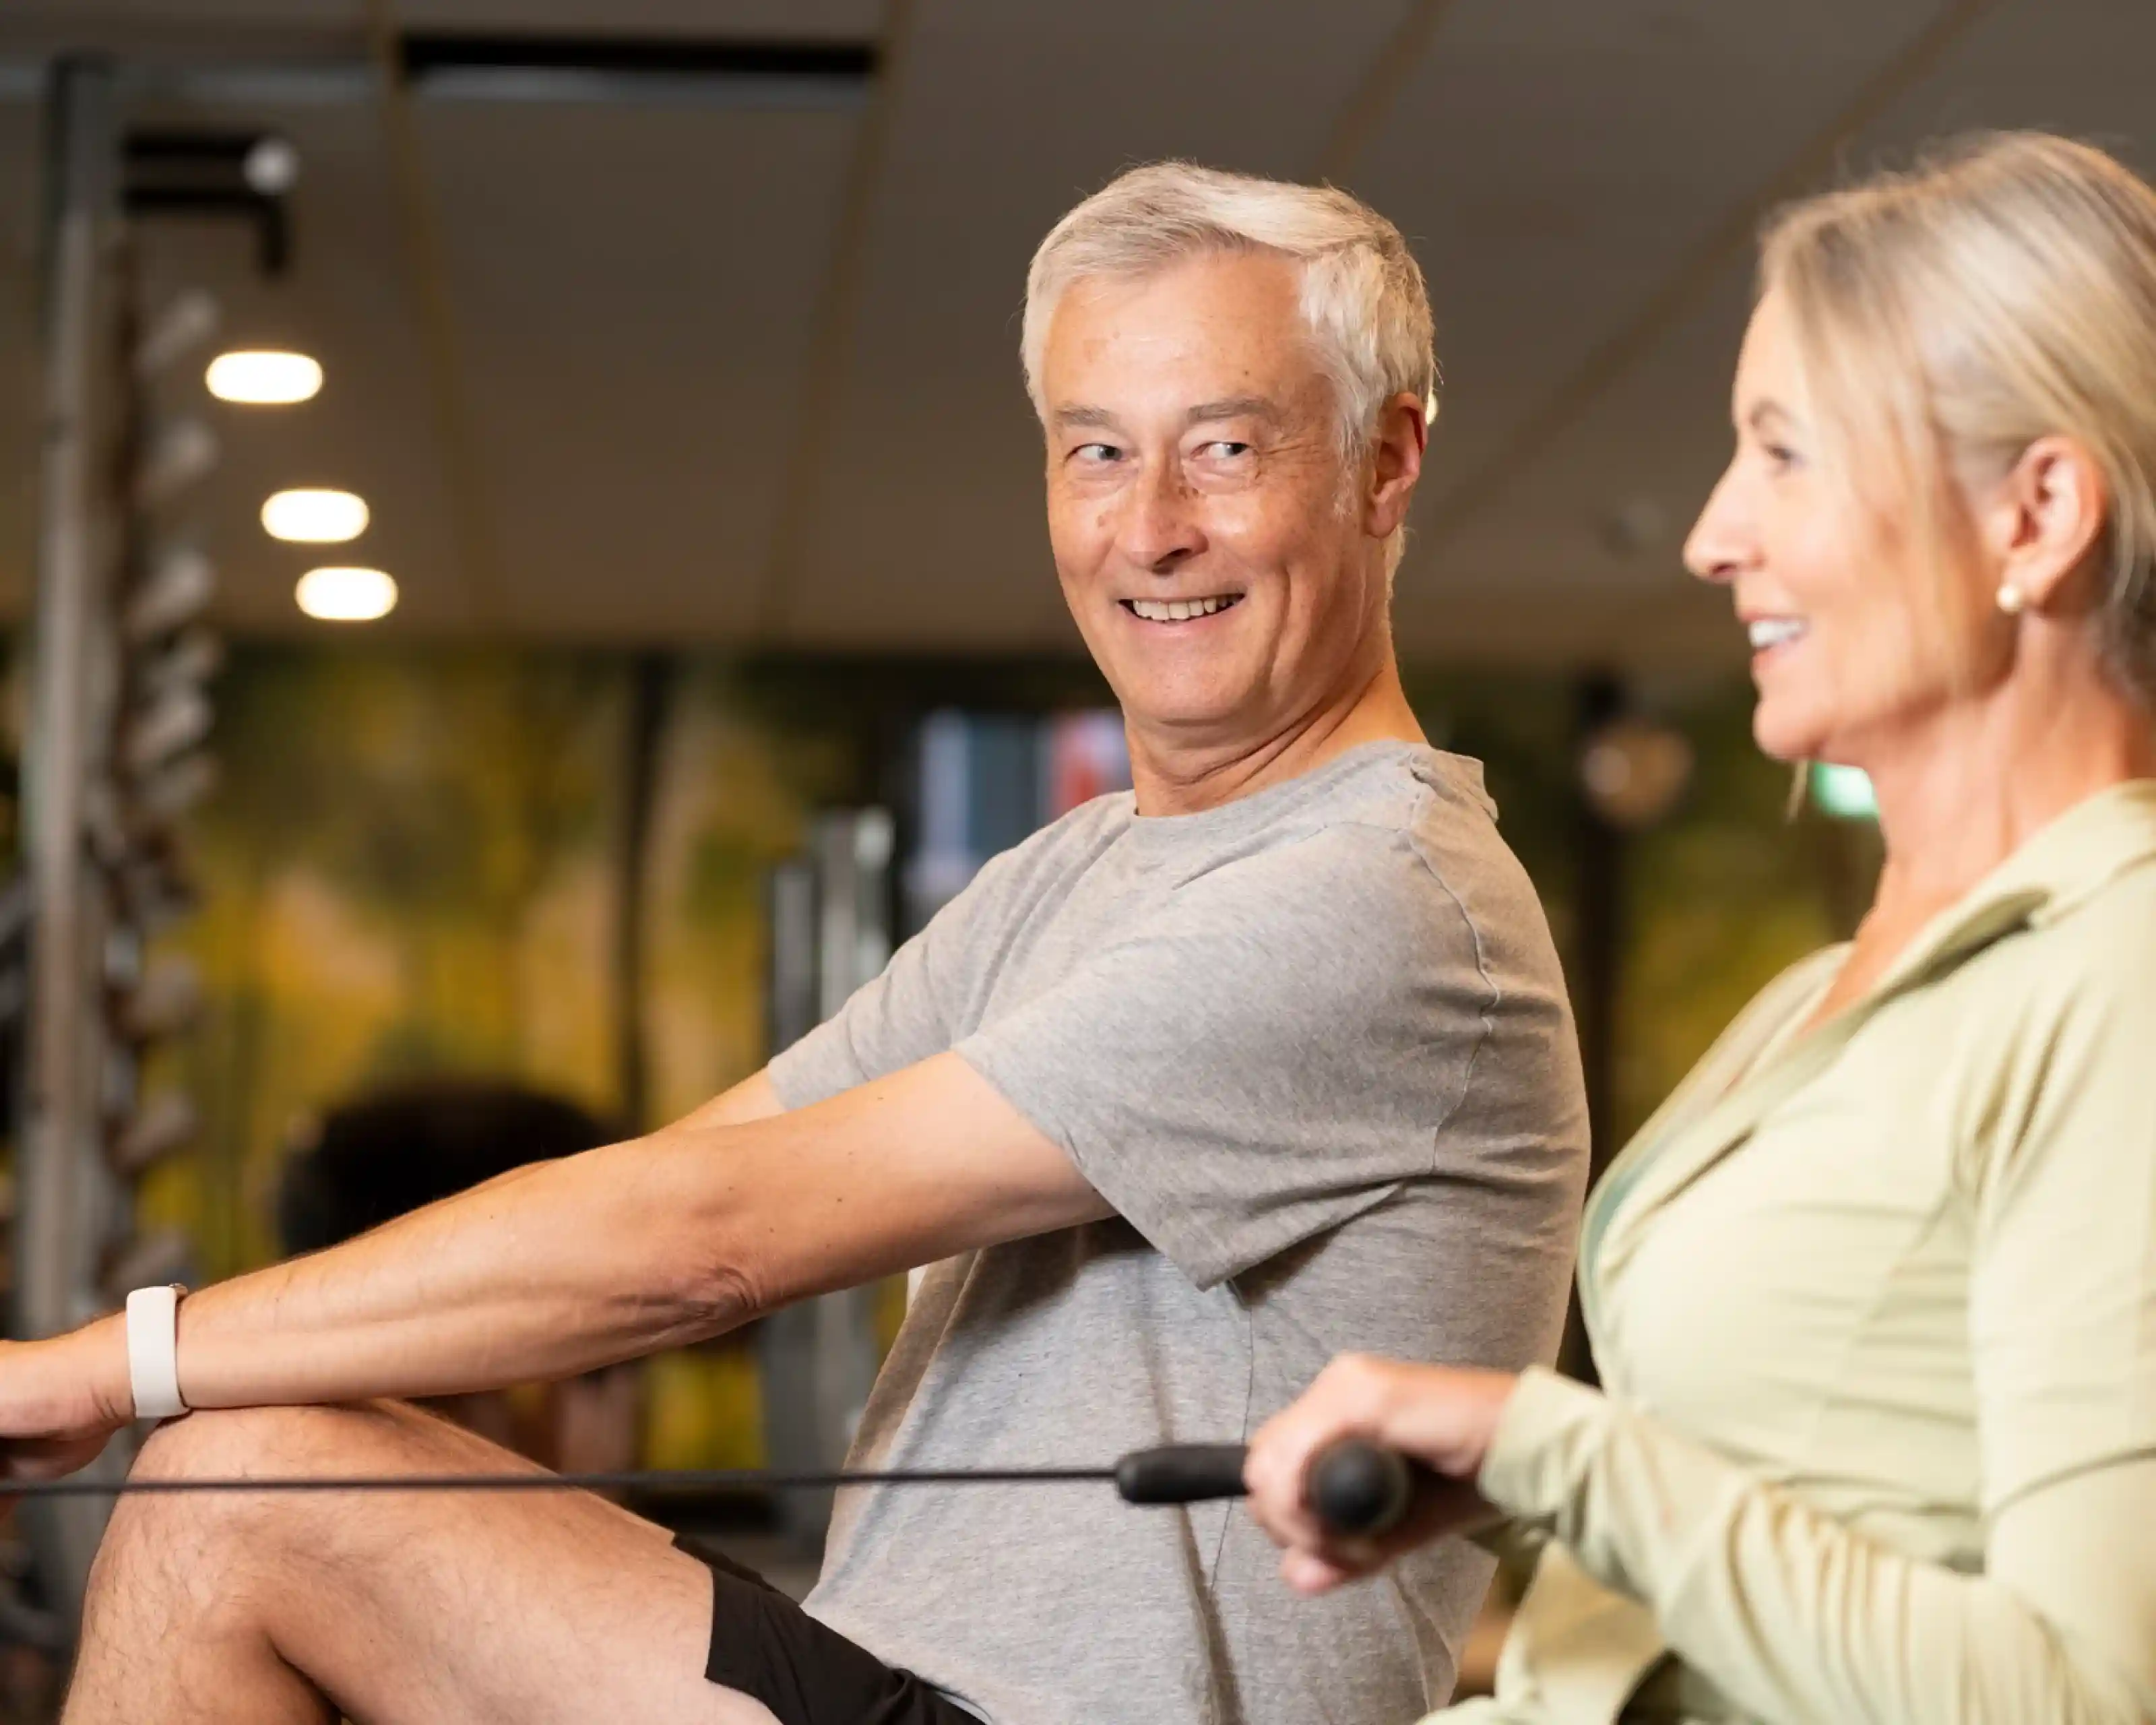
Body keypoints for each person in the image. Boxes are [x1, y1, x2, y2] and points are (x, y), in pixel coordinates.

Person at [7, 163, 1590, 1725]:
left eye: (1224, 448)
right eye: (1096, 450)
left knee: (236, 1483)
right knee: (243, 1471)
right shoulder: (1073, 875)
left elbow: (709, 1239)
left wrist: (109, 1365)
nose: (1151, 528)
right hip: (884, 1674)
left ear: (1385, 463)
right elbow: (679, 1179)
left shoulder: (1376, 897)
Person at [1242, 131, 2156, 1724]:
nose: (1713, 532)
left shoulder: (2119, 970)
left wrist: (1556, 1453)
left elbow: (2078, 1698)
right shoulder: (1816, 995)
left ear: (2036, 513)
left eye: (1785, 452)